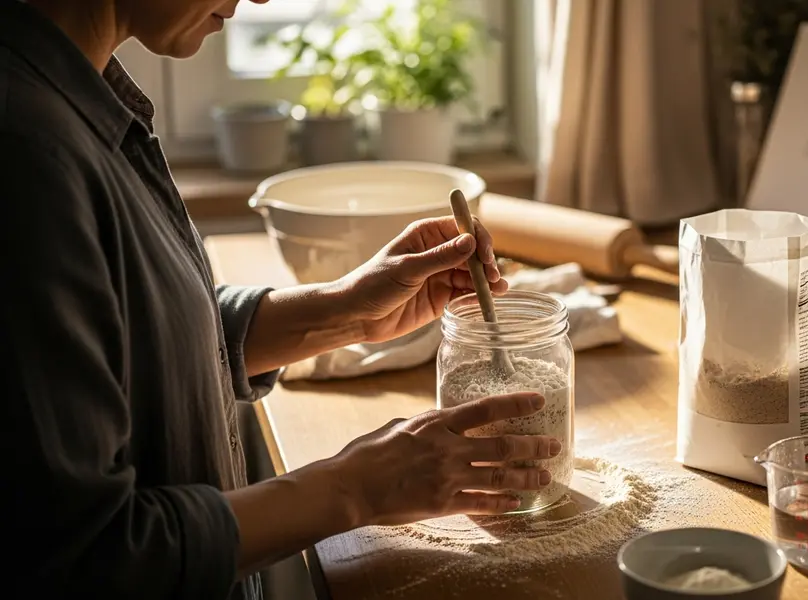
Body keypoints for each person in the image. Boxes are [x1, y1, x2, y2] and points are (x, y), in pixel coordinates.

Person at [0, 1, 562, 598]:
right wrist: (356, 488)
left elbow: (131, 341)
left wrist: (341, 310)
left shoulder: (78, 98)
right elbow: (90, 558)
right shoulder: (26, 154)